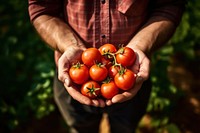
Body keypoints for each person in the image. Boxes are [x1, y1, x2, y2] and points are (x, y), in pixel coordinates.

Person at [28, 0, 186, 133]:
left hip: (135, 76)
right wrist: (70, 46)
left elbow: (170, 5)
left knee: (125, 127)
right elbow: (41, 9)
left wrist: (139, 46)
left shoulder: (120, 70)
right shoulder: (101, 70)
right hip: (71, 78)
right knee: (80, 126)